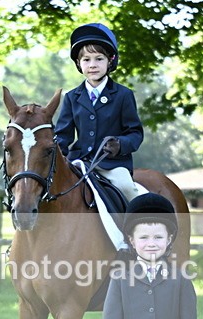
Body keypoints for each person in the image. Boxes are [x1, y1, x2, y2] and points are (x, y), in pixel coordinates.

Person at [55, 22, 145, 201]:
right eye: (86, 60)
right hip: (78, 163)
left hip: (112, 165)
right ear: (79, 64)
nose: (93, 65)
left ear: (110, 60)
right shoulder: (72, 97)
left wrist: (119, 144)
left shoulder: (123, 95)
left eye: (99, 59)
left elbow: (135, 133)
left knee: (128, 189)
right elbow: (63, 136)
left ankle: (135, 227)